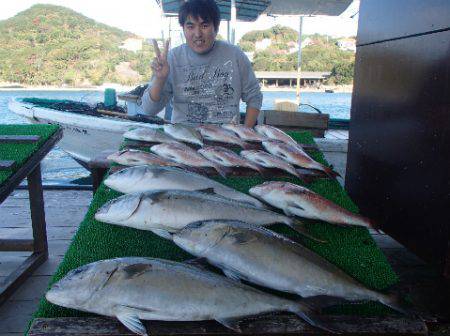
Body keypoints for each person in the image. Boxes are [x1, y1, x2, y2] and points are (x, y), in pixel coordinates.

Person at [141, 0, 262, 127]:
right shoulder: (172, 59)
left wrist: (245, 133)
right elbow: (149, 110)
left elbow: (254, 97)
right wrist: (160, 79)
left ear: (216, 27)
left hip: (226, 139)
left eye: (204, 26)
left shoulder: (235, 55)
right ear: (183, 28)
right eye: (190, 26)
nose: (197, 34)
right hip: (184, 139)